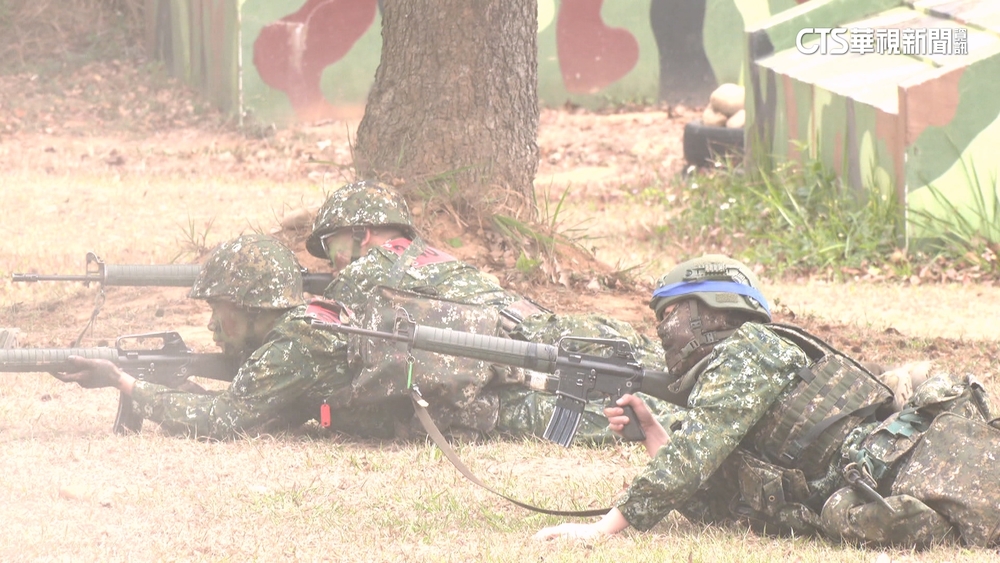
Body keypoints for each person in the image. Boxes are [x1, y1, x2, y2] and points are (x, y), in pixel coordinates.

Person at [532, 254, 999, 548]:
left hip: (914, 459)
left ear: (708, 310)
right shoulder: (739, 371)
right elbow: (716, 505)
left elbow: (694, 456)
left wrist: (603, 528)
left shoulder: (751, 349)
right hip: (877, 491)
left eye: (670, 313)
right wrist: (654, 432)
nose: (662, 328)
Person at [305, 180, 680, 440]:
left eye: (329, 242)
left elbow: (318, 326)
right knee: (683, 373)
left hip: (540, 348)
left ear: (360, 234)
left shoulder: (369, 271)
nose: (330, 259)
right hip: (564, 328)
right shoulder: (427, 255)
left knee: (659, 408)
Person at [51, 234, 356, 439]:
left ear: (248, 306)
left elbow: (219, 420)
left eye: (216, 308)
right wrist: (184, 380)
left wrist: (123, 381)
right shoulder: (300, 328)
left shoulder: (292, 346)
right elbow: (266, 413)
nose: (211, 324)